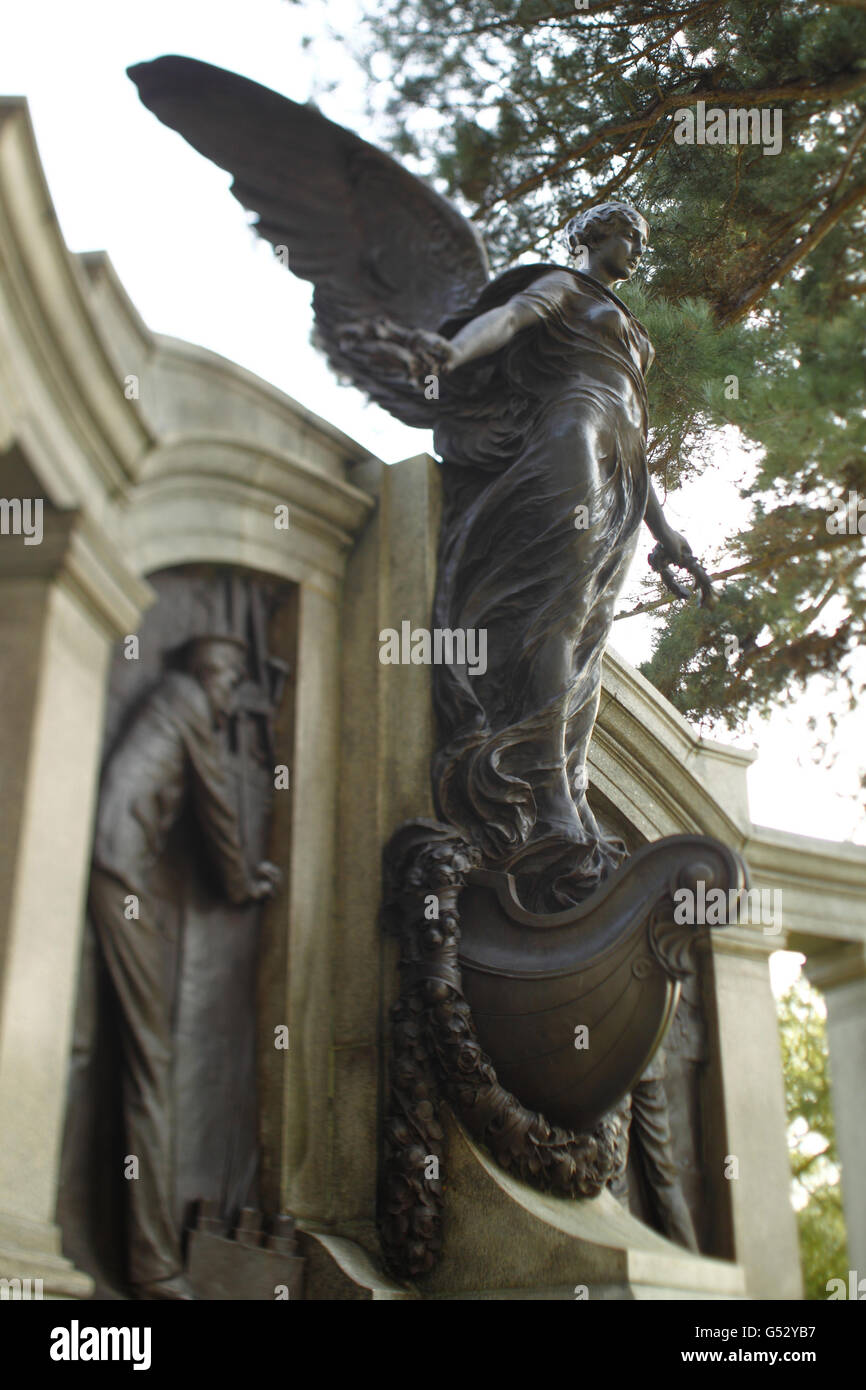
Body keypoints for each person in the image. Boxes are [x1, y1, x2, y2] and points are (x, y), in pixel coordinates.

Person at [430, 202, 694, 909]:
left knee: (587, 637)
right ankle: (549, 798)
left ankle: (568, 792)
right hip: (570, 433)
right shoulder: (564, 290)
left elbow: (636, 431)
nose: (636, 246)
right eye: (626, 233)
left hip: (624, 469)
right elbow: (509, 322)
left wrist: (663, 529)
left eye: (643, 236)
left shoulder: (634, 333)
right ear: (589, 235)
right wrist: (450, 353)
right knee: (556, 611)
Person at [88, 635, 280, 1300]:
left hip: (109, 869)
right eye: (230, 684)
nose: (229, 701)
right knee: (152, 1061)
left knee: (113, 1050)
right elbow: (220, 806)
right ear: (213, 674)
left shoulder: (174, 700)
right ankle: (154, 1267)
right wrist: (244, 882)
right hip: (118, 875)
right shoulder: (188, 700)